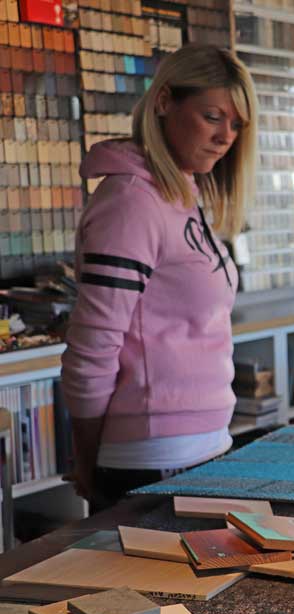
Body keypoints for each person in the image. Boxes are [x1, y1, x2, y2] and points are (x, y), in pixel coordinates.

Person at [61, 44, 257, 510]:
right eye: (213, 116)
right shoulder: (131, 202)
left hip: (205, 447)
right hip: (151, 456)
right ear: (165, 101)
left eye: (236, 125)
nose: (225, 136)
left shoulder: (180, 193)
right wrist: (87, 460)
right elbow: (92, 349)